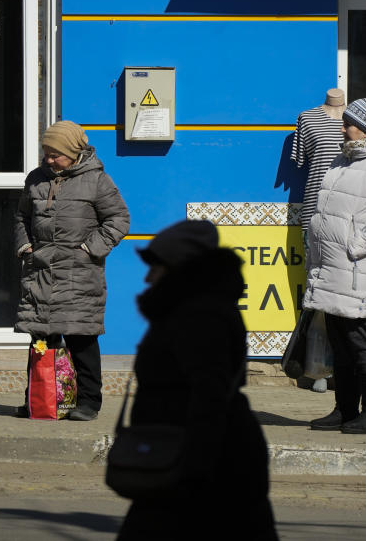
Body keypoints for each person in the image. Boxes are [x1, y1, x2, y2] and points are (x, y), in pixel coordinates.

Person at [116, 220, 277, 540]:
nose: (148, 277)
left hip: (206, 463)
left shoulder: (200, 315)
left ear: (179, 268)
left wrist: (195, 466)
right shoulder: (192, 309)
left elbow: (210, 393)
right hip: (190, 456)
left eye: (156, 267)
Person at [303, 98, 366, 434]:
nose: (343, 127)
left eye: (349, 122)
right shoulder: (346, 157)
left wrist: (354, 247)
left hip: (358, 268)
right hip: (333, 267)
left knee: (362, 339)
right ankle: (346, 410)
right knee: (340, 341)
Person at [13, 120, 130, 421]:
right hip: (40, 272)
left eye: (56, 154)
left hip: (79, 274)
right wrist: (25, 247)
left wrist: (90, 249)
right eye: (46, 153)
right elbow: (21, 217)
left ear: (74, 151)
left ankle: (89, 402)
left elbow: (118, 219)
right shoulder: (36, 179)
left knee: (81, 339)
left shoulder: (97, 180)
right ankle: (40, 400)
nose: (49, 159)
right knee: (41, 342)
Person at [291, 88, 346, 394]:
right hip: (314, 213)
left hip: (350, 216)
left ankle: (343, 367)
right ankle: (317, 368)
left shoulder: (357, 121)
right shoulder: (308, 118)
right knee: (316, 294)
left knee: (344, 297)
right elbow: (301, 163)